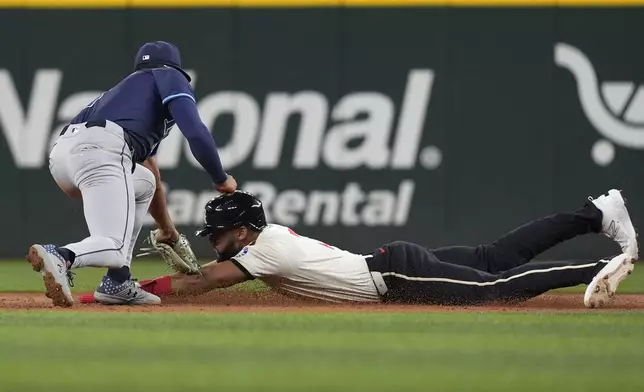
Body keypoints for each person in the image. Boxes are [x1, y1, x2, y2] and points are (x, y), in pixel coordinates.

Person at [132, 188, 638, 309]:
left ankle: (600, 265)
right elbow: (207, 270)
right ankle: (594, 213)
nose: (214, 244)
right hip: (393, 263)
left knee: (494, 288)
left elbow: (200, 282)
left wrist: (128, 290)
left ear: (241, 232)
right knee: (491, 259)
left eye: (218, 235)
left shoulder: (261, 252)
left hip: (397, 276)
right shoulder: (266, 240)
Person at [26, 41, 237, 308]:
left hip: (62, 158)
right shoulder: (168, 75)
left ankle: (118, 281)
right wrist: (220, 178)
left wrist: (167, 229)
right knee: (112, 246)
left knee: (143, 182)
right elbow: (195, 131)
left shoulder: (122, 95)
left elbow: (151, 175)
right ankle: (62, 255)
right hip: (102, 150)